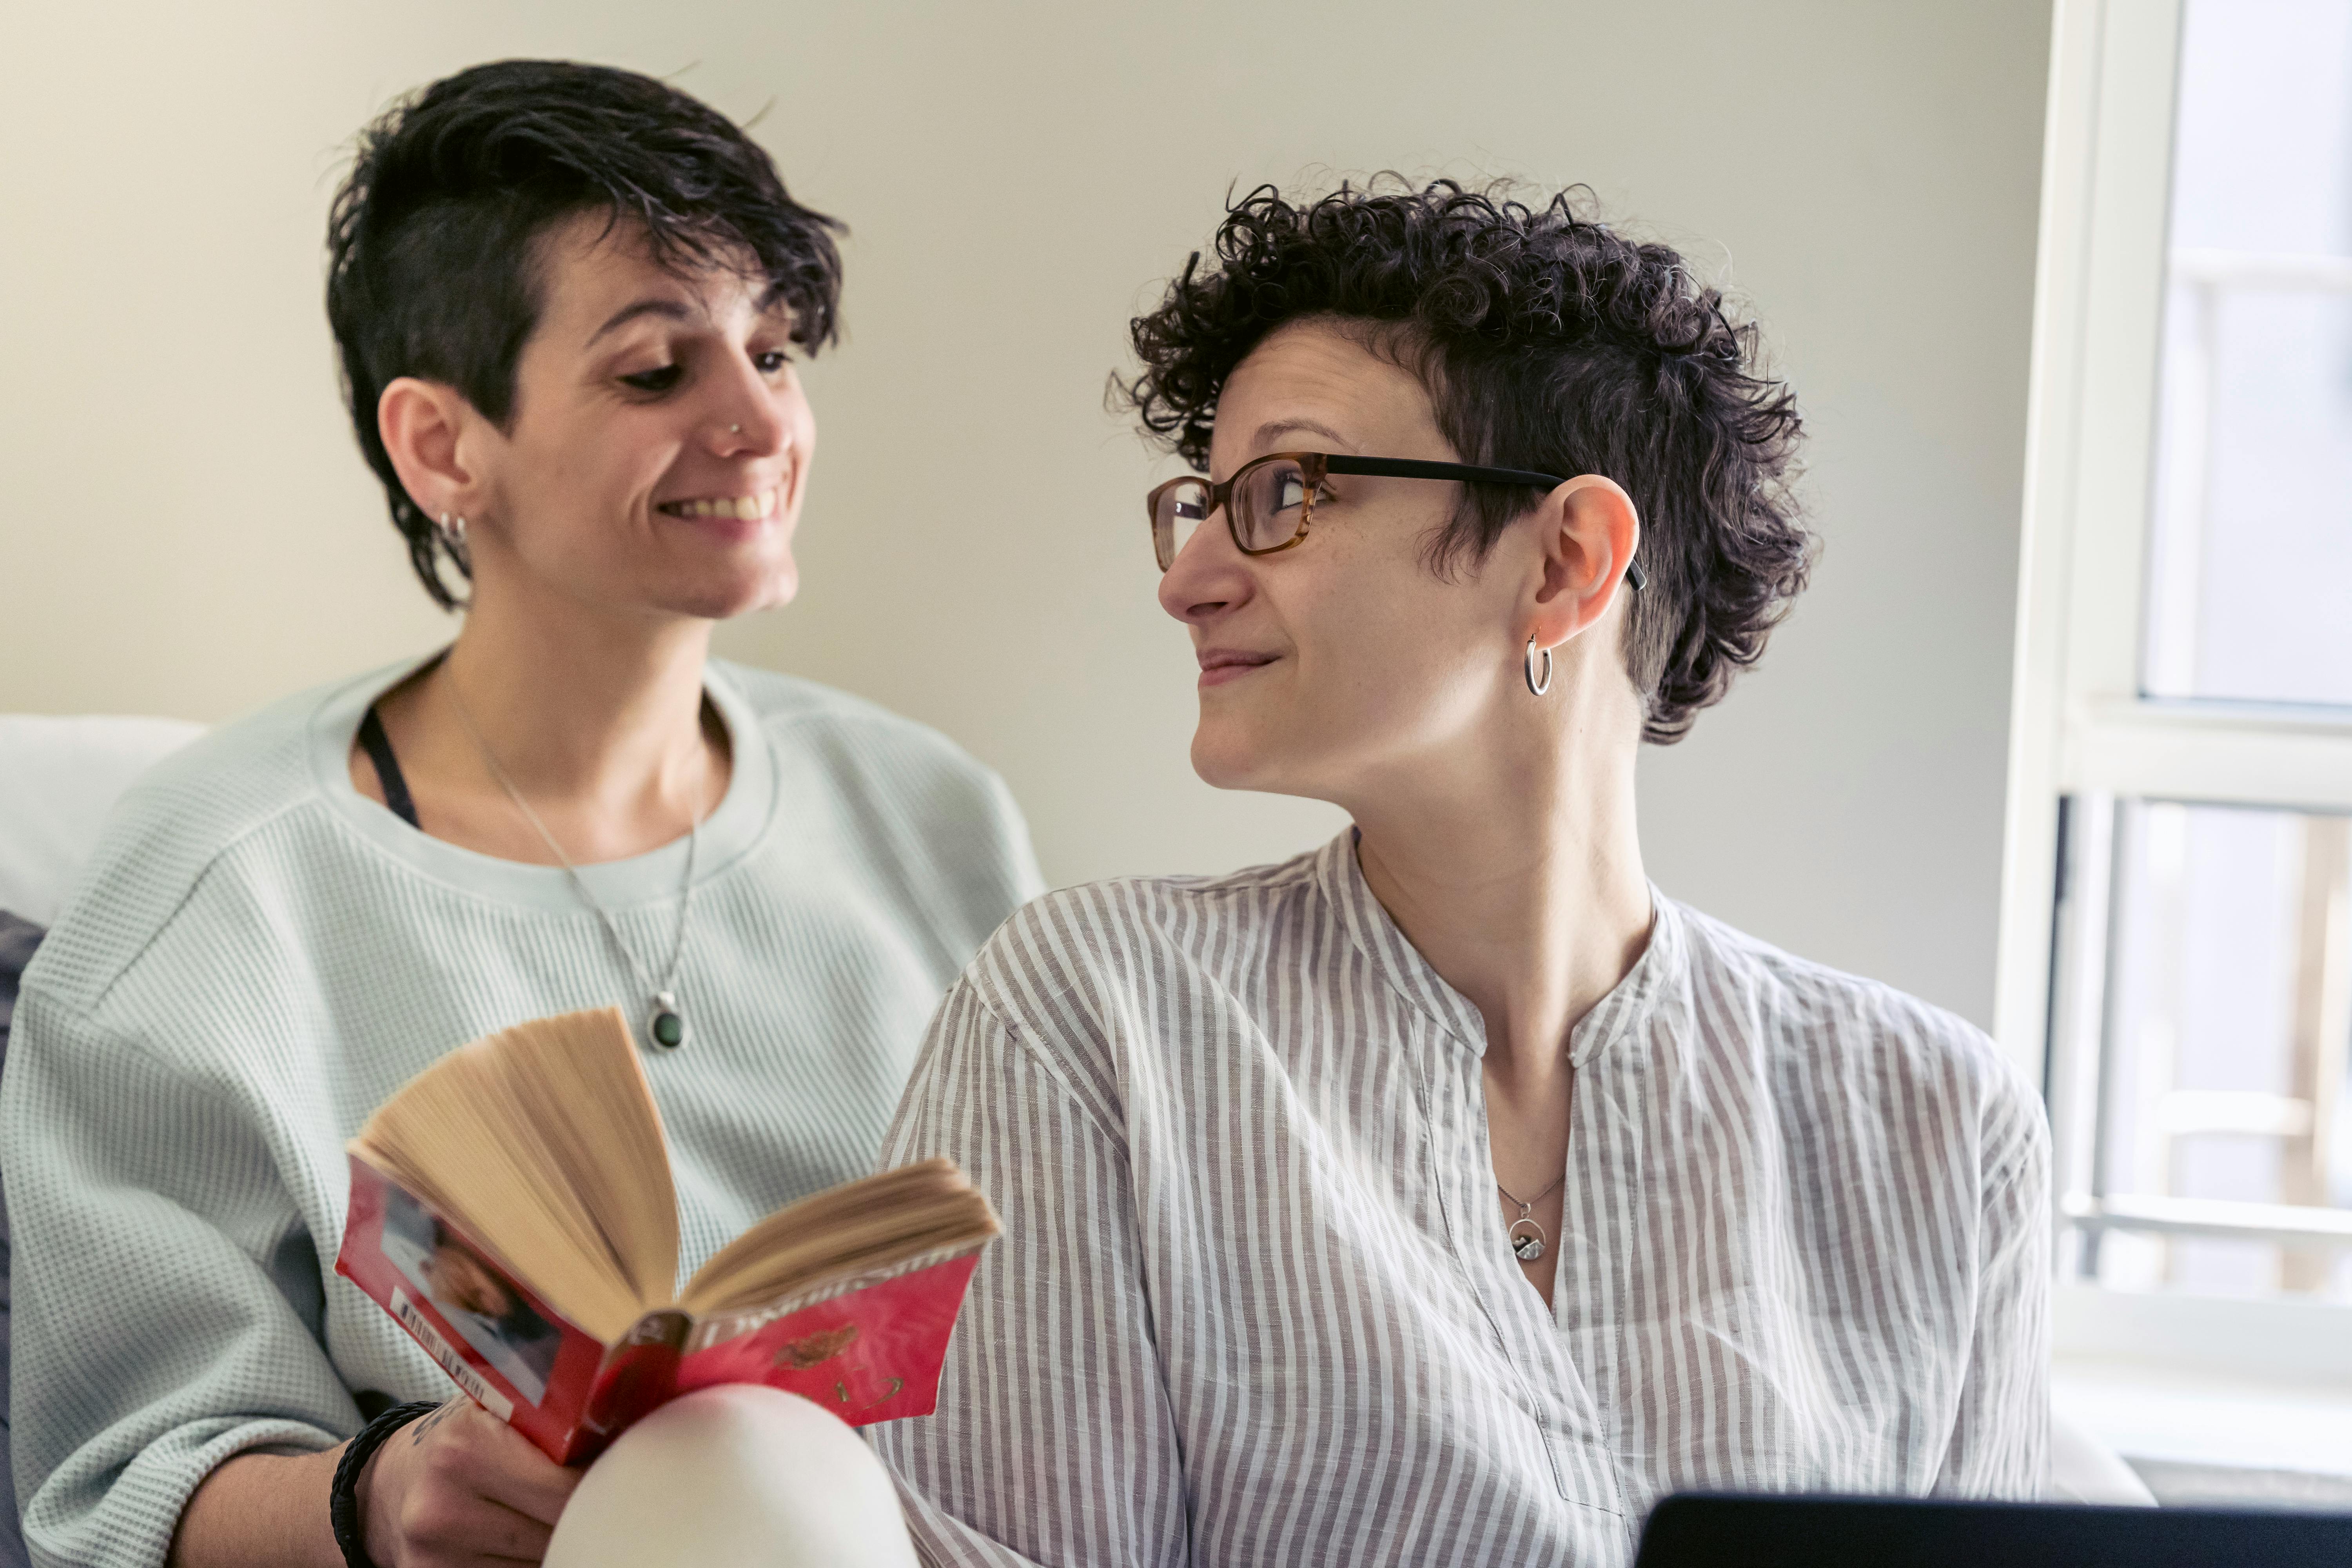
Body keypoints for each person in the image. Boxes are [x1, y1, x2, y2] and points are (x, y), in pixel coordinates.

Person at [876, 181, 2051, 1566]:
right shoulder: (1094, 1018)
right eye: (1200, 503)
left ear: (1564, 563)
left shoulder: (1931, 1124)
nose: (1189, 575)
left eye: (1283, 493)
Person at [2, 61, 1038, 1568]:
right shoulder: (214, 894)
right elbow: (114, 1485)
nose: (760, 426)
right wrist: (375, 1498)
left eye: (777, 350)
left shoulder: (936, 816)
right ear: (443, 446)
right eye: (654, 371)